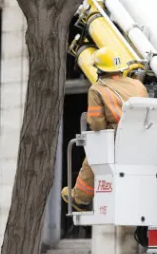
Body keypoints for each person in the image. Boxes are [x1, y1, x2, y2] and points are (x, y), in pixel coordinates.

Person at [61, 47, 149, 211]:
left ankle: (80, 198)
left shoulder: (97, 89)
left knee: (93, 157)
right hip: (143, 137)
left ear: (99, 69)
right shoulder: (138, 85)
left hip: (118, 139)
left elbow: (96, 124)